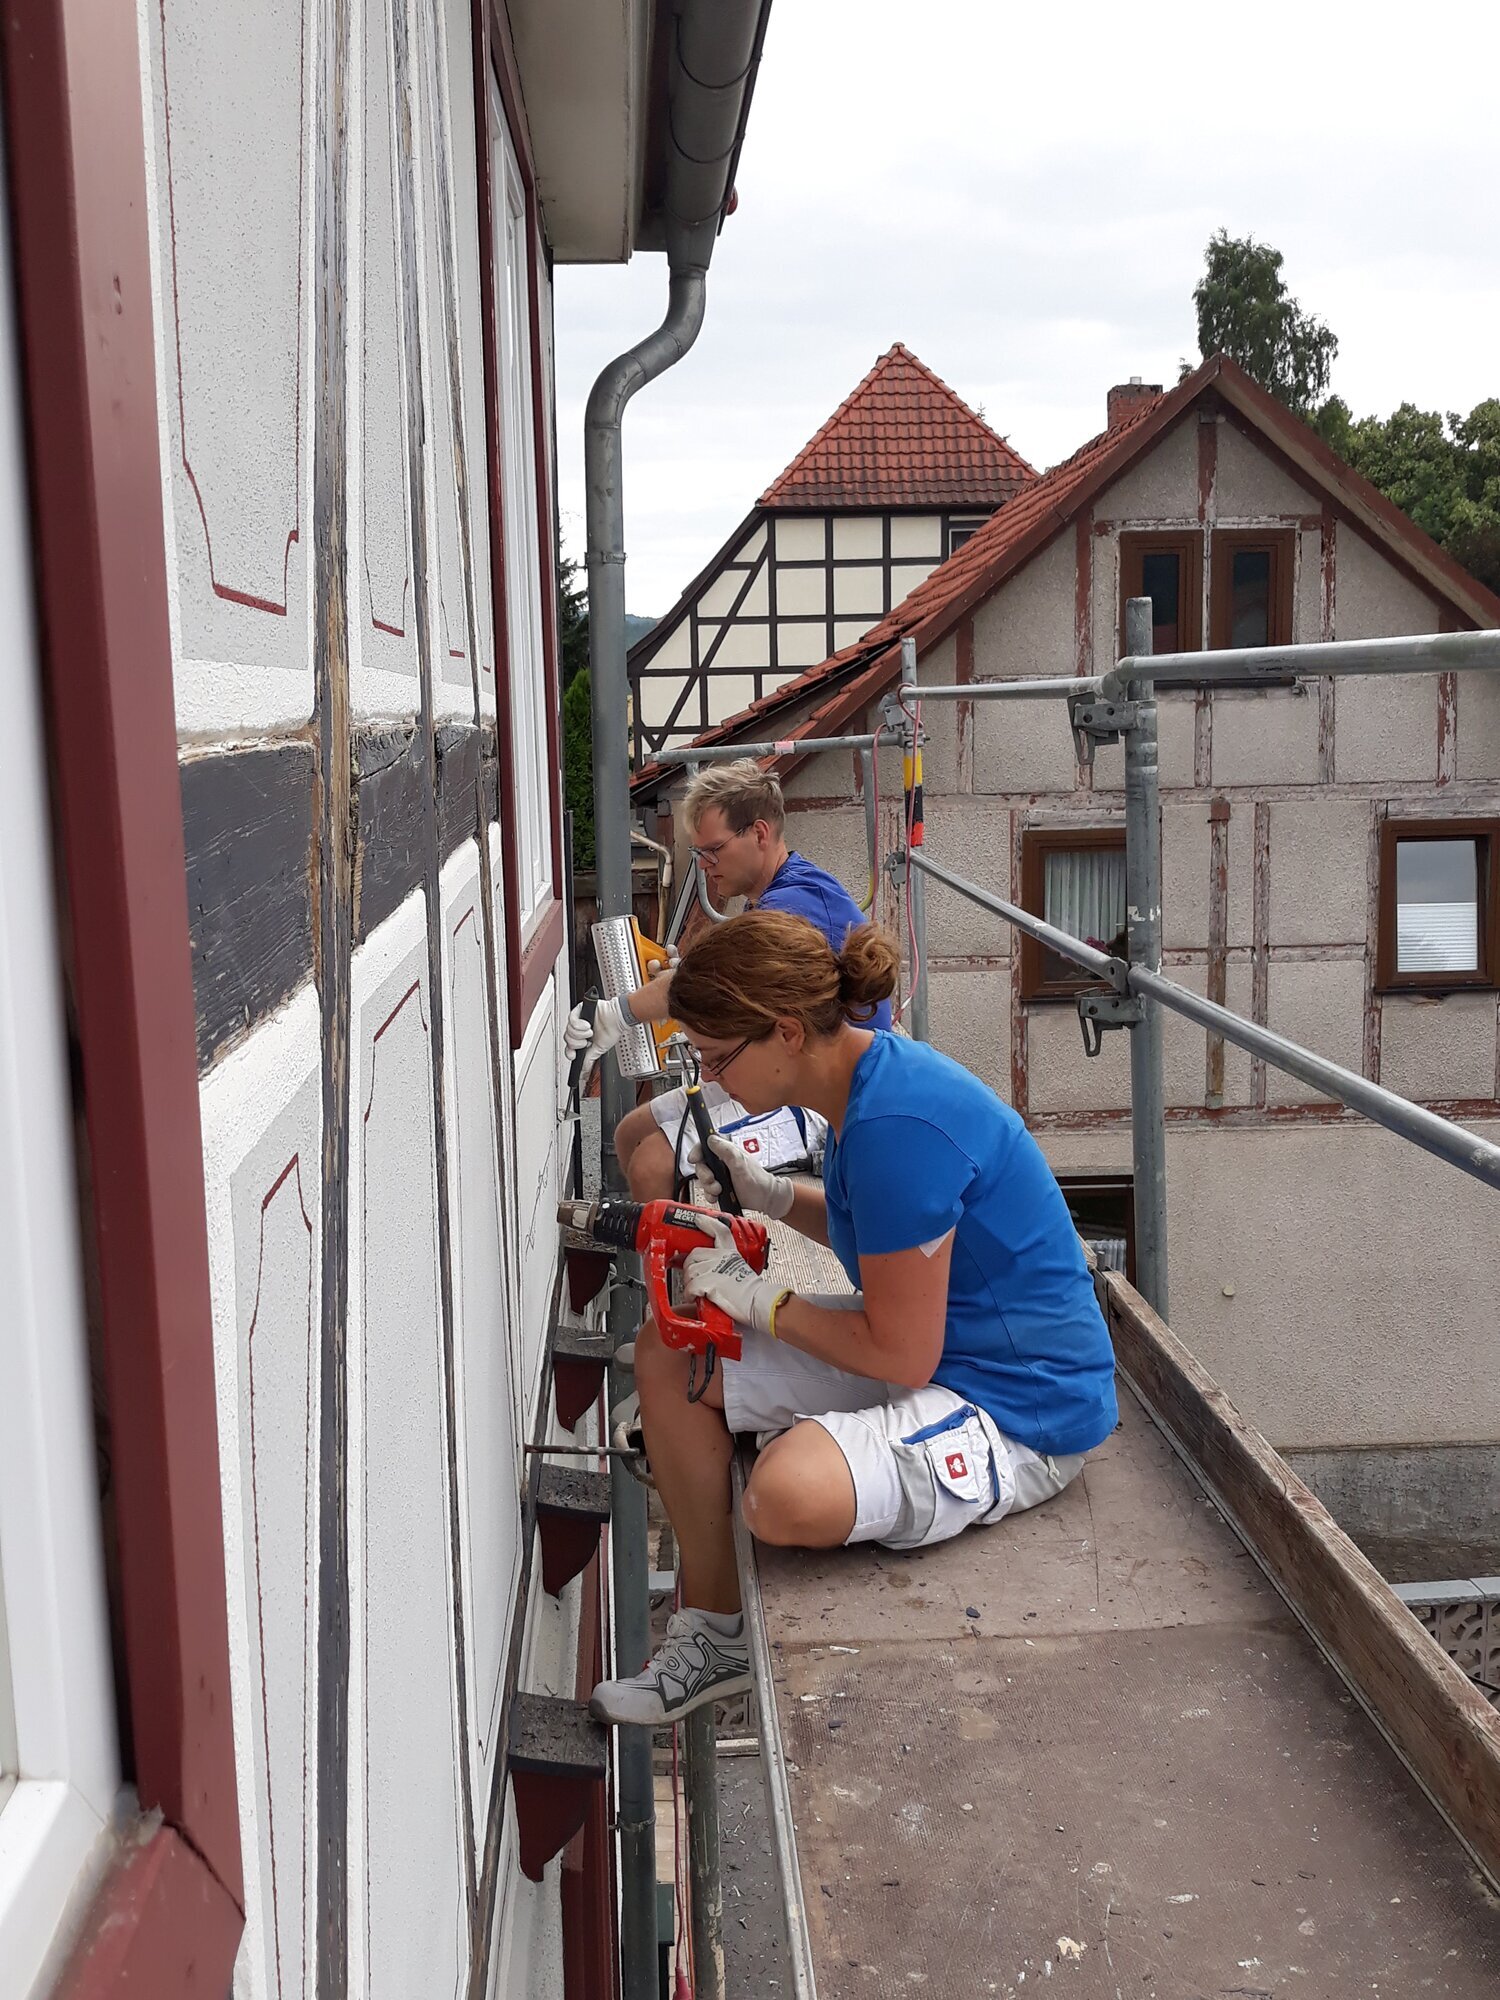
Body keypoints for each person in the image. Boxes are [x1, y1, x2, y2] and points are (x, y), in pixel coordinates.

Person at [589, 911, 1119, 1727]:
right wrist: (774, 1199)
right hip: (949, 1347)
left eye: (718, 1058)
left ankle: (797, 1508)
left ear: (786, 1034)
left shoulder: (895, 1128)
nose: (715, 1083)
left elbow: (901, 1354)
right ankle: (717, 1636)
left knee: (785, 1494)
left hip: (1024, 1410)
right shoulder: (862, 1089)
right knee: (672, 1353)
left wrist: (763, 1298)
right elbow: (881, 1245)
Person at [565, 759, 891, 1201]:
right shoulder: (782, 892)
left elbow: (706, 982)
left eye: (713, 850)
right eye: (698, 853)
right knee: (630, 1132)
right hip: (782, 1069)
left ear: (758, 833)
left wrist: (616, 1014)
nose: (704, 866)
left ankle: (693, 1263)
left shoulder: (792, 904)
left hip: (827, 1094)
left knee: (651, 1161)